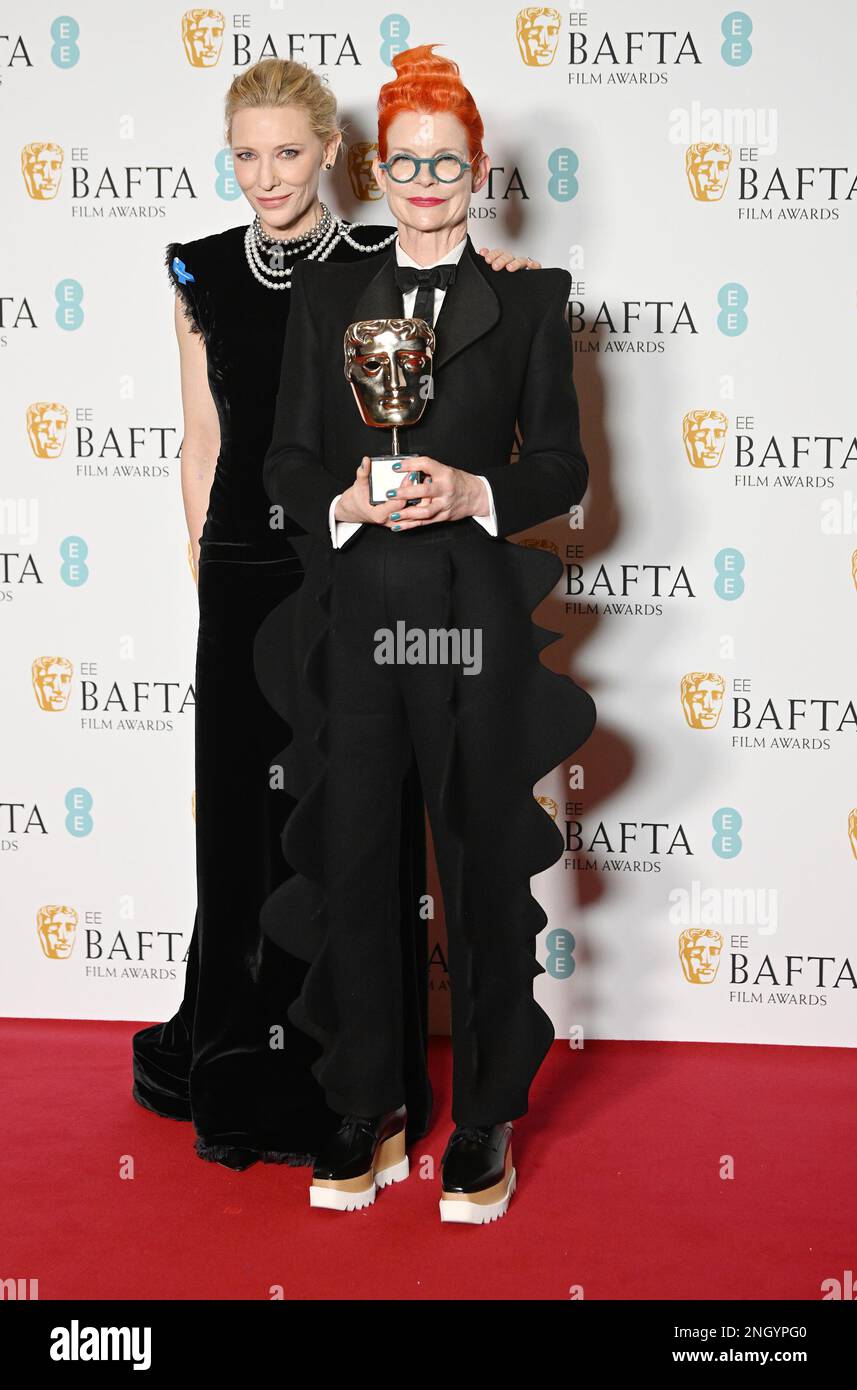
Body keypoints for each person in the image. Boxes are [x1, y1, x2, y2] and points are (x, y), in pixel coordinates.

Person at [130, 56, 539, 1172]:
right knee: (240, 823)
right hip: (243, 565)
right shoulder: (197, 270)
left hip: (346, 563)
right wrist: (201, 562)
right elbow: (201, 439)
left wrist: (499, 272)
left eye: (288, 153)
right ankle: (239, 1071)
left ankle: (351, 1086)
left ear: (327, 157)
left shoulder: (373, 257)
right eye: (246, 155)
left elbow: (465, 295)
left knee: (351, 824)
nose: (267, 176)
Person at [256, 44, 597, 1222]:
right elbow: (286, 461)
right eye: (400, 162)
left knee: (480, 867)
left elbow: (561, 464)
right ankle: (369, 1100)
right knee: (354, 860)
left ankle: (488, 1113)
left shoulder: (532, 298)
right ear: (373, 169)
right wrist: (345, 500)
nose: (421, 180)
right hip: (356, 621)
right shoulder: (322, 297)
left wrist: (472, 492)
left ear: (478, 170)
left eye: (443, 163)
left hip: (471, 626)